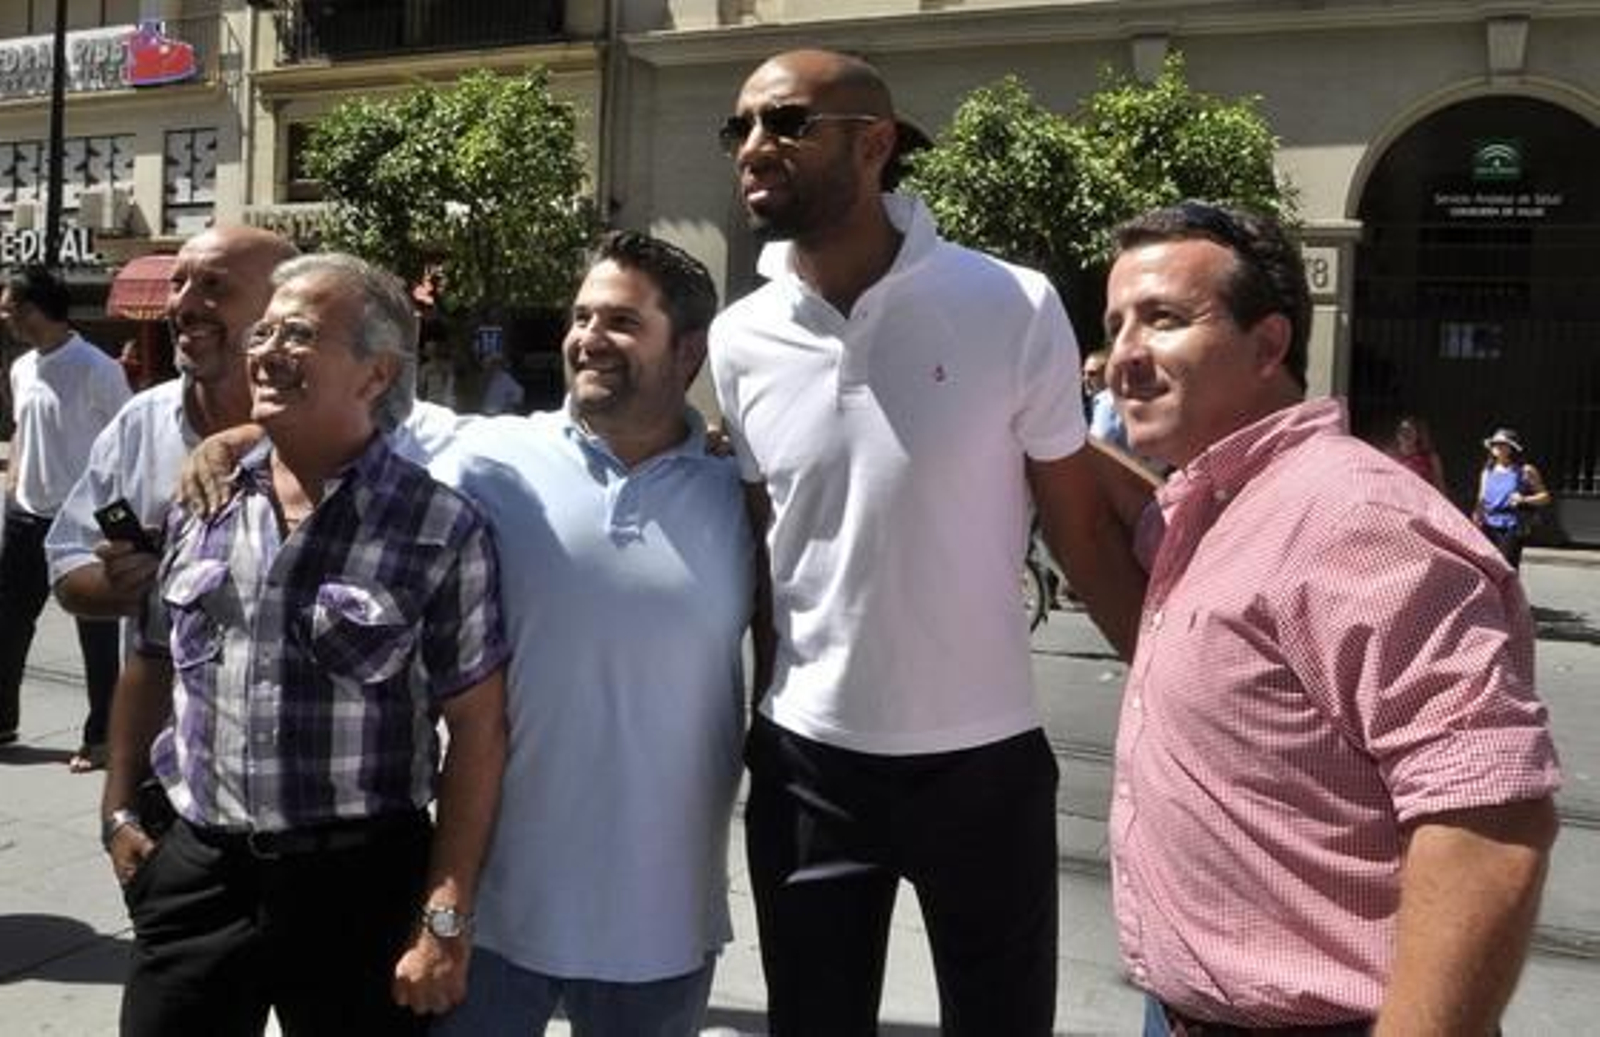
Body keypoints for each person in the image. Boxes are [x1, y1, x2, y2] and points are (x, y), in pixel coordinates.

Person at [709, 49, 1148, 1035]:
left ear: (873, 145)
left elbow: (1078, 525)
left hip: (982, 766)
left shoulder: (1010, 300)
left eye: (783, 123)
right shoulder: (739, 339)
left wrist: (1172, 693)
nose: (753, 147)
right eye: (737, 128)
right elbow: (768, 548)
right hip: (806, 766)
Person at [1101, 200, 1561, 1035]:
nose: (1123, 355)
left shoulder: (1358, 520)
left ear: (1269, 344)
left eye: (1164, 319)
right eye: (1116, 323)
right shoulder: (1204, 510)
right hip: (1177, 1011)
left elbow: (1490, 814)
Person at [100, 253, 509, 1036]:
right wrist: (119, 810)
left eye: (299, 334)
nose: (265, 351)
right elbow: (150, 658)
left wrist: (445, 917)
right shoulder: (203, 501)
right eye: (265, 332)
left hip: (359, 888)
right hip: (198, 875)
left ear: (375, 372)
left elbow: (481, 732)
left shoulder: (438, 526)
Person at [430, 231, 753, 1036]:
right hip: (494, 918)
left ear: (687, 350)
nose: (586, 338)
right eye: (581, 316)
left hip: (663, 925)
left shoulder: (740, 493)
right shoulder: (487, 457)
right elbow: (348, 437)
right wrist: (239, 438)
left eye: (619, 321)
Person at [47, 226, 300, 622]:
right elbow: (67, 562)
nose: (183, 305)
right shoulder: (139, 422)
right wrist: (124, 586)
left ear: (285, 309)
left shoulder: (336, 429)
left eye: (215, 285)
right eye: (177, 283)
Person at [0, 265, 131, 764]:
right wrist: (14, 485)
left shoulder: (98, 368)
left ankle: (100, 738)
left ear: (35, 309)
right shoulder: (22, 366)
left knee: (96, 634)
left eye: (10, 307)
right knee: (9, 623)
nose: (5, 317)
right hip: (25, 516)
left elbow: (126, 444)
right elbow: (21, 430)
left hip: (83, 524)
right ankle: (3, 722)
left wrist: (117, 524)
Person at [1473, 426, 1551, 570]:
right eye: (1494, 444)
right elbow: (1481, 498)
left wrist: (1524, 499)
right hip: (1489, 525)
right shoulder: (1487, 471)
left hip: (1512, 525)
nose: (1496, 447)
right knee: (1487, 566)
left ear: (1511, 448)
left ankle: (1510, 593)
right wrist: (1476, 517)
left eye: (1501, 444)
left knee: (1506, 567)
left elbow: (1545, 497)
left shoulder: (1525, 470)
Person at [1385, 414, 1447, 493]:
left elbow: (1441, 486)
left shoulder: (1430, 457)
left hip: (1424, 500)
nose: (1406, 434)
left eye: (1410, 431)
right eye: (1402, 430)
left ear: (1418, 434)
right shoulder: (1390, 457)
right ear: (1397, 434)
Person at [417, 330, 458, 408]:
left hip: (443, 401)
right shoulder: (425, 368)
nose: (432, 351)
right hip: (434, 401)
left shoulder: (447, 366)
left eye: (433, 349)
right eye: (429, 349)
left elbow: (450, 384)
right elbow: (421, 387)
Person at [478, 351, 525, 415]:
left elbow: (518, 391)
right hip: (483, 412)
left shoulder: (504, 377)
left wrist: (509, 406)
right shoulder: (481, 377)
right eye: (491, 364)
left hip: (499, 413)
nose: (494, 366)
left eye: (496, 364)